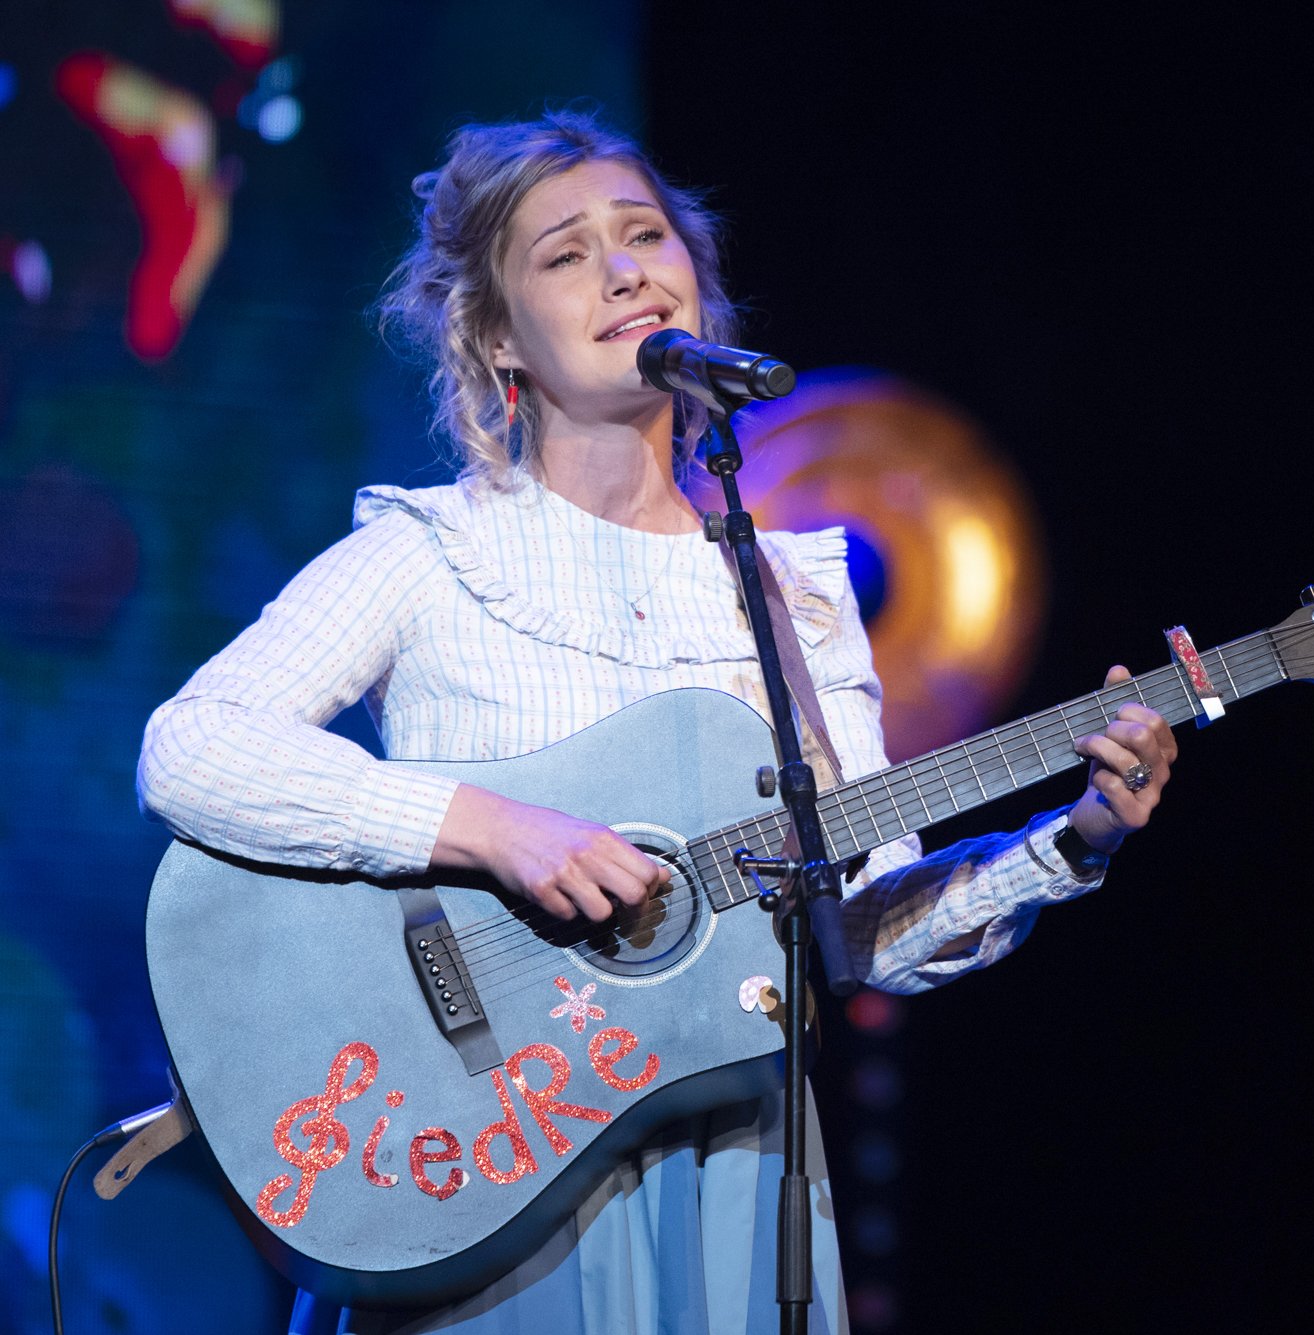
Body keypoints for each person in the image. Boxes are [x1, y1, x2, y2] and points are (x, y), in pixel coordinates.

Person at [136, 109, 1177, 1334]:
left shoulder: (792, 598)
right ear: (492, 334)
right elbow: (193, 747)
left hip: (728, 1169)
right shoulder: (436, 555)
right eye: (565, 254)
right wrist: (487, 828)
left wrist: (1073, 841)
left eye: (645, 236)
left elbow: (856, 936)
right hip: (481, 1164)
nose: (625, 268)